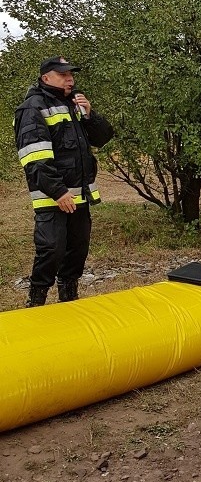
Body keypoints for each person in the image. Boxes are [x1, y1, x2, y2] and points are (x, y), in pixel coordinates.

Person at [14, 56, 114, 307]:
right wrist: (58, 192)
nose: (70, 79)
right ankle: (36, 302)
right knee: (52, 250)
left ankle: (69, 299)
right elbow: (35, 159)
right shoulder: (32, 108)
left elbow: (102, 138)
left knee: (77, 251)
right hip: (52, 196)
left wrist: (90, 116)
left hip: (80, 194)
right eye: (63, 75)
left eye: (71, 74)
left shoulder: (74, 103)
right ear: (46, 78)